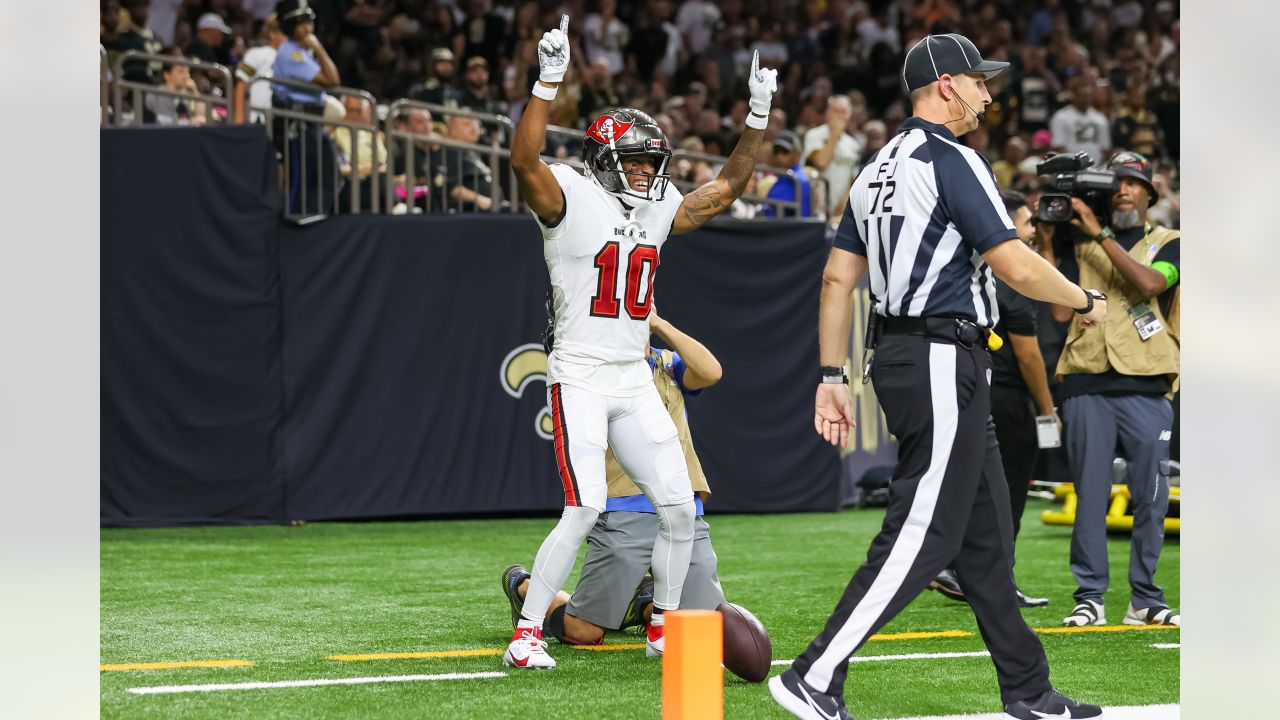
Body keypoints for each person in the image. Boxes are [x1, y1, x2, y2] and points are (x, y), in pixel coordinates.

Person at [771, 34, 1107, 720]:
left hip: (904, 355)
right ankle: (813, 672)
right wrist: (1082, 299)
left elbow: (839, 278)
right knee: (924, 529)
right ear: (947, 85)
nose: (989, 95)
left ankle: (1029, 690)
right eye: (980, 83)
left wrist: (830, 373)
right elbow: (1012, 264)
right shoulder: (953, 159)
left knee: (984, 542)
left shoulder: (874, 169)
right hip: (941, 353)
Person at [503, 15, 775, 670]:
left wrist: (758, 115)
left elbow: (729, 187)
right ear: (601, 159)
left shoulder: (655, 206)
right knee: (584, 506)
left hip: (632, 376)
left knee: (680, 508)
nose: (649, 173)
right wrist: (547, 81)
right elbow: (522, 159)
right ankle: (528, 635)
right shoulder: (569, 193)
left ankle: (661, 624)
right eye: (636, 161)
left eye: (655, 162)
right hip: (581, 373)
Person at [501, 311, 725, 646]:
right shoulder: (591, 375)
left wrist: (659, 324)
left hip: (682, 509)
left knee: (701, 627)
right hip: (624, 507)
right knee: (584, 632)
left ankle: (644, 606)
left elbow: (711, 371)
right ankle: (524, 586)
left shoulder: (666, 365)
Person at [1051, 151, 1181, 630]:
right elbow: (1057, 313)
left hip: (1147, 383)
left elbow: (1148, 283)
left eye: (1133, 182)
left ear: (1150, 192)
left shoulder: (1172, 242)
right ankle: (1090, 597)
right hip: (1086, 379)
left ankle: (1145, 598)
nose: (1123, 190)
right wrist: (1059, 232)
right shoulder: (1077, 244)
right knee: (1089, 493)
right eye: (1116, 184)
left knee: (1149, 494)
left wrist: (1100, 233)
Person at [931, 190, 1057, 609]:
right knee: (1007, 495)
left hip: (966, 386)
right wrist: (1047, 407)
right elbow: (1028, 354)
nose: (1032, 231)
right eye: (1026, 222)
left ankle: (959, 567)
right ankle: (992, 578)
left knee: (971, 486)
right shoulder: (1013, 276)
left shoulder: (967, 265)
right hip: (1006, 399)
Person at [803, 96, 861, 220]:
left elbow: (849, 182)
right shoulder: (814, 135)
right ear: (827, 113)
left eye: (843, 112)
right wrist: (835, 134)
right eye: (835, 111)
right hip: (811, 206)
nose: (839, 116)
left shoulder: (853, 145)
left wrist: (841, 212)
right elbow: (821, 162)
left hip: (836, 211)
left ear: (848, 117)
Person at [234, 14, 286, 124]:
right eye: (285, 33)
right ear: (272, 34)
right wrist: (238, 120)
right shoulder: (256, 54)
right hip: (256, 119)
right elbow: (241, 83)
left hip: (280, 123)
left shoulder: (293, 62)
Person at [1049, 76, 1111, 165]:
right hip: (1069, 168)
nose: (1086, 99)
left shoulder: (1100, 119)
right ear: (1073, 95)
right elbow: (1058, 147)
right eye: (1082, 96)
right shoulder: (1060, 117)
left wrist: (1096, 167)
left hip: (1097, 168)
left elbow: (1106, 149)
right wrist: (1076, 164)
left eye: (1088, 96)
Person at [441, 114, 495, 212]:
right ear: (452, 129)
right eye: (467, 124)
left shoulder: (471, 153)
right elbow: (449, 186)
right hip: (469, 213)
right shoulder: (448, 152)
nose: (474, 128)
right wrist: (478, 198)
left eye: (476, 124)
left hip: (491, 209)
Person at [761, 131, 812, 218]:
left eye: (785, 151)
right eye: (776, 151)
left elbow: (771, 212)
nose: (779, 157)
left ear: (797, 154)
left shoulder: (793, 178)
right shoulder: (788, 176)